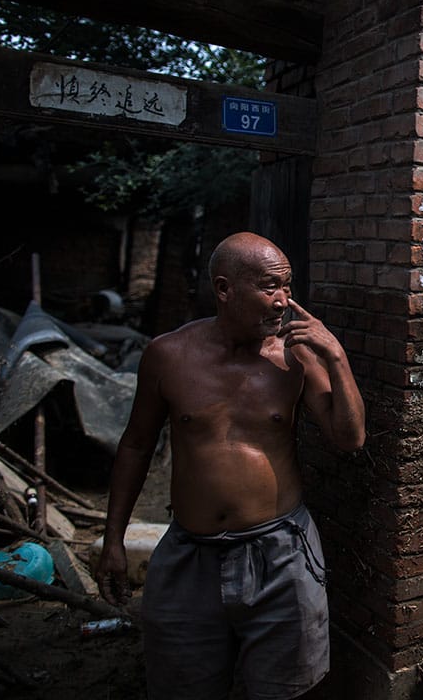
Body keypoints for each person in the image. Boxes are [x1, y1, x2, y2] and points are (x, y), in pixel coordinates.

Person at [94, 231, 365, 700]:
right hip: (189, 557)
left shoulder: (296, 356)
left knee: (287, 689)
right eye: (268, 287)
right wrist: (112, 540)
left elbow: (350, 438)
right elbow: (136, 446)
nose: (283, 301)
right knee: (183, 685)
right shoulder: (168, 356)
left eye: (287, 286)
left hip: (281, 554)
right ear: (224, 289)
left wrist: (336, 357)